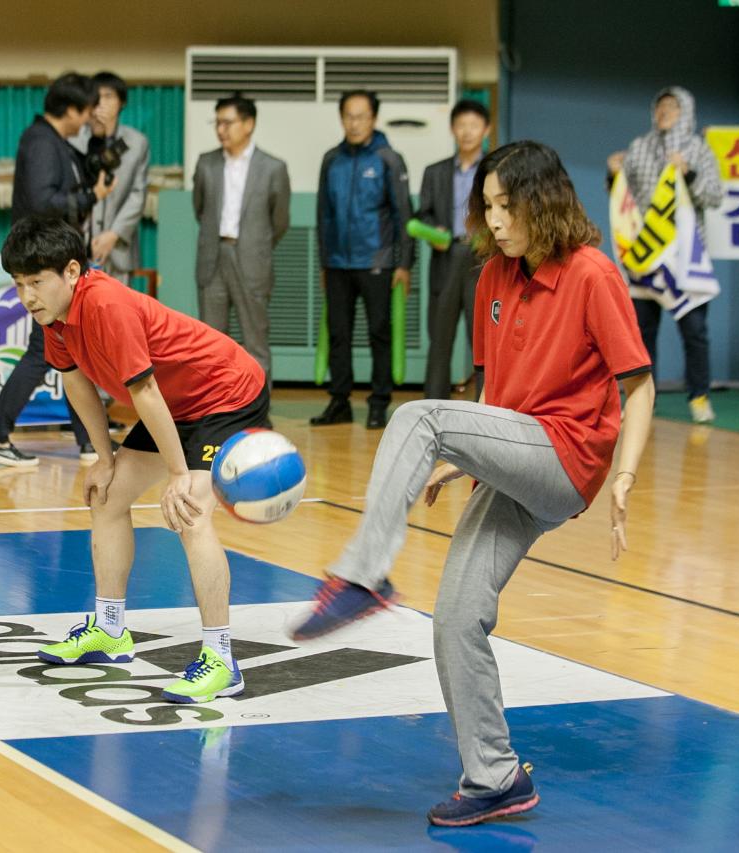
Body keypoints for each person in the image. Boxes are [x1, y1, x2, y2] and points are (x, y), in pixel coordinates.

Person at [290, 141, 655, 826]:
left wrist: (624, 478)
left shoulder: (592, 274)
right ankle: (495, 777)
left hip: (567, 456)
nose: (494, 219)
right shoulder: (493, 276)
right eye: (486, 206)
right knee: (457, 618)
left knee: (418, 415)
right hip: (516, 451)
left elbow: (639, 385)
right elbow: (492, 398)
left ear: (541, 202)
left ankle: (364, 573)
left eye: (504, 206)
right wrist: (472, 454)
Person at [3, 215, 269, 704]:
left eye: (36, 282)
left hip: (226, 395)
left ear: (71, 271)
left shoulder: (104, 304)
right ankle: (109, 631)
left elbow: (143, 390)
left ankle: (221, 660)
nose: (28, 296)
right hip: (176, 404)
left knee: (189, 515)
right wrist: (103, 458)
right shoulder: (52, 319)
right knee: (106, 498)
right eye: (20, 285)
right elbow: (76, 381)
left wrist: (177, 475)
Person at [0, 73, 114, 468]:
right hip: (44, 263)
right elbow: (42, 201)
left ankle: (90, 440)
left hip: (55, 261)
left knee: (71, 347)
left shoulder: (58, 144)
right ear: (71, 109)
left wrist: (101, 145)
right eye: (86, 112)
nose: (88, 119)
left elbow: (82, 177)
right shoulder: (40, 142)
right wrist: (92, 196)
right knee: (46, 350)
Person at [608, 86, 722, 423]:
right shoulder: (639, 147)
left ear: (686, 110)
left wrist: (687, 173)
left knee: (695, 330)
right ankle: (644, 398)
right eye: (660, 106)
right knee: (641, 333)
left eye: (672, 106)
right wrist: (613, 173)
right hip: (645, 254)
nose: (664, 111)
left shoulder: (698, 149)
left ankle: (699, 395)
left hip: (684, 254)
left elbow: (714, 195)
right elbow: (623, 195)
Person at [312, 90, 413, 430]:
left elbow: (403, 214)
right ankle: (339, 401)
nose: (354, 123)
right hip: (338, 263)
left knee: (379, 333)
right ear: (341, 119)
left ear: (374, 118)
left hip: (378, 261)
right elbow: (323, 214)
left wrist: (404, 263)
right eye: (348, 116)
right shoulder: (330, 159)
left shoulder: (389, 158)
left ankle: (379, 402)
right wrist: (325, 261)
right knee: (338, 333)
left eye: (361, 116)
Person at [193, 93, 291, 379]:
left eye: (228, 122)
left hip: (252, 260)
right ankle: (215, 413)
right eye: (217, 123)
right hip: (213, 258)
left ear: (248, 124)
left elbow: (280, 221)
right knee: (210, 343)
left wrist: (257, 245)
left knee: (255, 341)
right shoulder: (206, 164)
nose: (221, 129)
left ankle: (258, 412)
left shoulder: (273, 168)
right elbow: (200, 210)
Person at [416, 98, 490, 400]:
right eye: (461, 125)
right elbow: (423, 214)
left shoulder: (495, 169)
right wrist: (433, 231)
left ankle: (487, 409)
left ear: (486, 129)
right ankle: (434, 408)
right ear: (452, 129)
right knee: (440, 340)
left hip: (482, 260)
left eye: (474, 125)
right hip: (445, 258)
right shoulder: (435, 172)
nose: (467, 132)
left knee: (483, 341)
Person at [86, 71, 150, 282]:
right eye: (96, 97)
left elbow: (138, 194)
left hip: (119, 246)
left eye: (108, 96)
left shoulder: (137, 142)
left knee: (118, 311)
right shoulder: (77, 139)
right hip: (80, 244)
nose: (101, 103)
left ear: (121, 102)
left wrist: (113, 234)